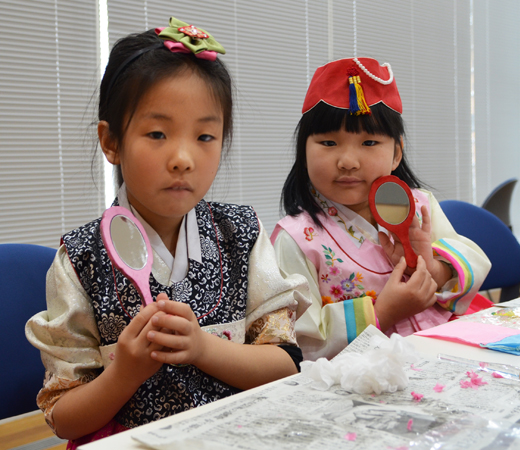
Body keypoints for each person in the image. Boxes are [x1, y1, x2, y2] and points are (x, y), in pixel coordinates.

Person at [25, 18, 309, 448]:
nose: (182, 158)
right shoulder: (80, 259)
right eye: (157, 133)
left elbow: (285, 364)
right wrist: (124, 373)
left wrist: (203, 348)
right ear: (111, 142)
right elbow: (64, 418)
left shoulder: (242, 235)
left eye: (205, 135)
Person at [271, 57, 491, 361]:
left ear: (396, 153)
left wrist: (434, 271)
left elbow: (473, 259)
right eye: (329, 143)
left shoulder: (418, 205)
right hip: (364, 374)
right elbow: (300, 341)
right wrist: (382, 312)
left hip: (440, 352)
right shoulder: (295, 238)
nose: (348, 160)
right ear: (303, 151)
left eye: (369, 142)